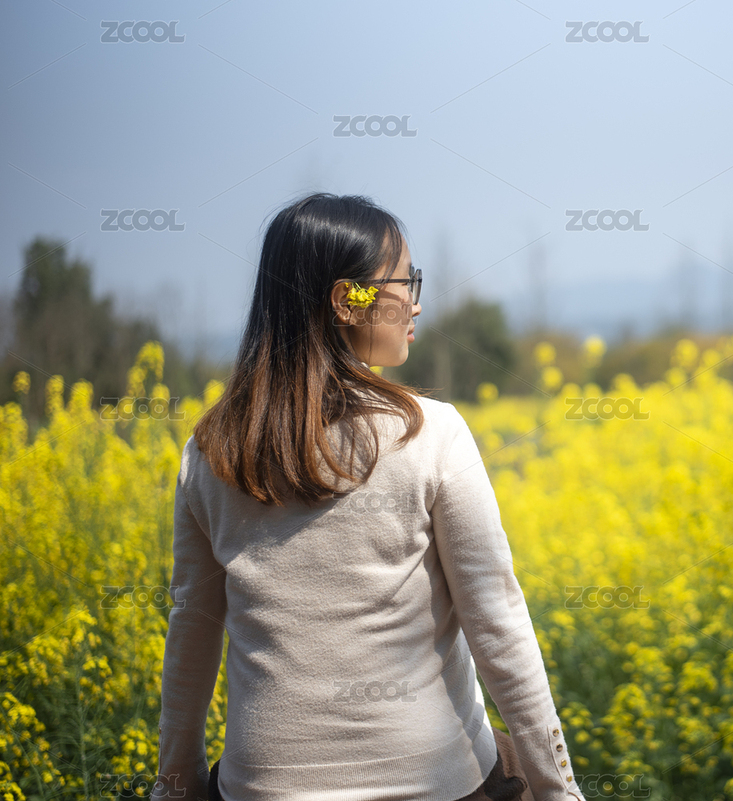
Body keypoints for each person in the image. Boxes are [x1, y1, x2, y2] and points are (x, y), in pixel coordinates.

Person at [150, 193, 586, 801]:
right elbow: (497, 620)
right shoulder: (430, 433)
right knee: (508, 759)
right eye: (406, 281)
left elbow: (192, 629)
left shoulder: (210, 453)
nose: (417, 301)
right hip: (433, 782)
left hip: (263, 786)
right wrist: (559, 790)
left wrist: (176, 786)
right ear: (346, 301)